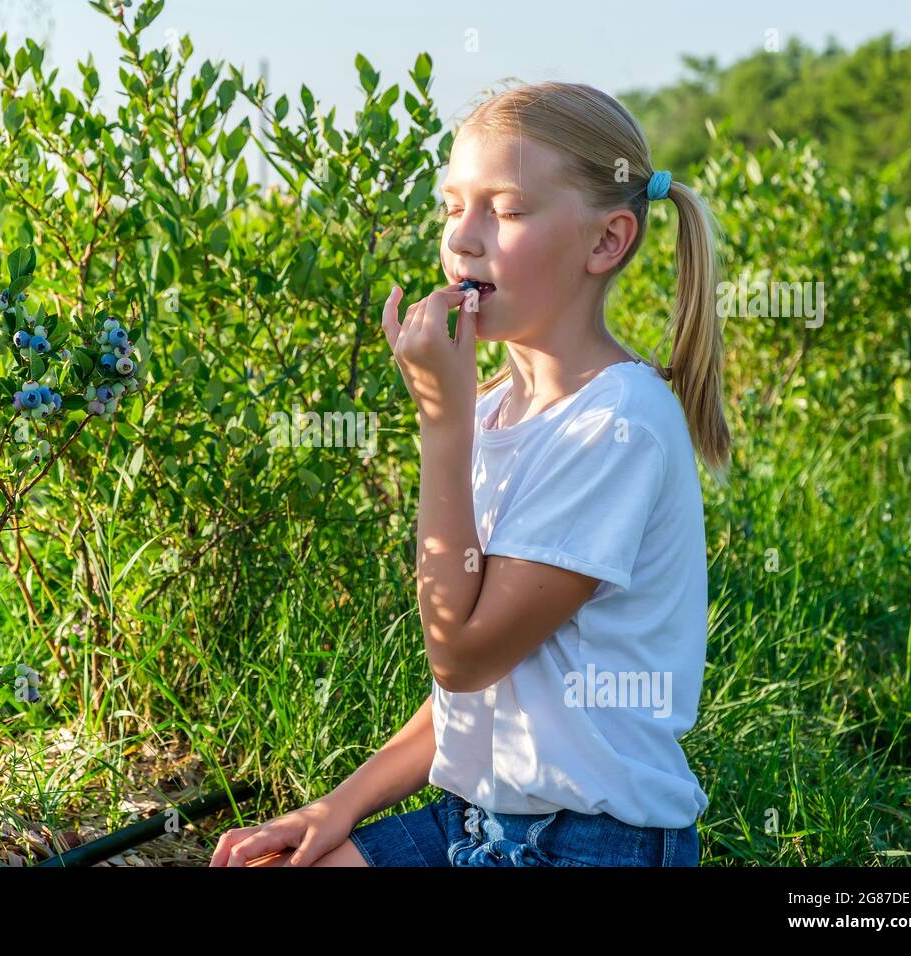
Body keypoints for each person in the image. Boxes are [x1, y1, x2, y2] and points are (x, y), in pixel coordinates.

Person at [209, 80, 728, 867]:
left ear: (606, 242)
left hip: (592, 842)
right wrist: (336, 807)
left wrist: (439, 426)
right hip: (473, 819)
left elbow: (464, 653)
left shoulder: (617, 425)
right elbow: (478, 688)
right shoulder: (491, 408)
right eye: (454, 206)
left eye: (506, 210)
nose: (465, 237)